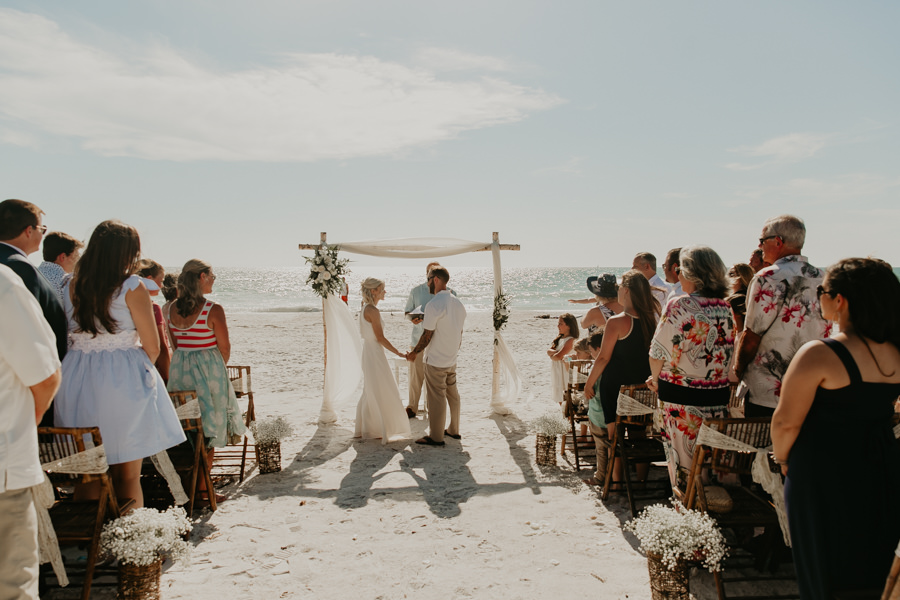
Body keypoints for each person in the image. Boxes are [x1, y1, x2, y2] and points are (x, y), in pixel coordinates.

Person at [772, 258, 900, 598]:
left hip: (823, 472)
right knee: (872, 568)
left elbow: (785, 421)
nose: (819, 297)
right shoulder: (896, 351)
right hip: (882, 465)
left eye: (823, 291)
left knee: (824, 569)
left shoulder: (819, 354)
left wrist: (783, 460)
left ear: (840, 300)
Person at [54, 220, 185, 508]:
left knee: (89, 470)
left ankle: (91, 540)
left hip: (76, 374)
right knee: (127, 473)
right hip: (121, 376)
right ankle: (130, 538)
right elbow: (152, 345)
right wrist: (138, 373)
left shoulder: (71, 284)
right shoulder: (131, 286)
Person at [648, 246, 734, 491]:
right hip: (717, 399)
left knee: (685, 471)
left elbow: (658, 353)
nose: (677, 274)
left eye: (679, 269)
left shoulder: (681, 304)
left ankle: (690, 516)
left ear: (693, 274)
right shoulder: (725, 308)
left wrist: (654, 379)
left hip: (682, 402)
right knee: (712, 465)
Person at [0, 264, 61, 600]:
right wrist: (29, 423)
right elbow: (45, 376)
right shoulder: (4, 283)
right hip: (3, 466)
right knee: (12, 586)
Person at [734, 215, 830, 417]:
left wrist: (739, 369)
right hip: (814, 386)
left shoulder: (768, 277)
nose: (759, 246)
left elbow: (751, 336)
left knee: (765, 446)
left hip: (770, 389)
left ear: (778, 241)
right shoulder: (824, 278)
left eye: (762, 240)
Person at [166, 259, 247, 500]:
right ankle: (203, 489)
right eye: (211, 275)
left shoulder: (170, 309)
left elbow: (176, 345)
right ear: (201, 277)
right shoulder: (213, 309)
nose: (213, 280)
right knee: (208, 429)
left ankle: (192, 485)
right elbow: (224, 348)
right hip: (209, 373)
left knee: (188, 428)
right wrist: (215, 371)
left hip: (180, 371)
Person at [582, 270, 659, 486]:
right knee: (639, 436)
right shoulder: (652, 320)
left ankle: (616, 483)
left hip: (615, 388)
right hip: (641, 387)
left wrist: (589, 384)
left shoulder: (618, 322)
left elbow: (603, 358)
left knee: (614, 438)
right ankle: (642, 480)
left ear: (625, 290)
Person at [0, 199, 68, 363]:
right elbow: (26, 329)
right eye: (42, 229)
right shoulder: (20, 267)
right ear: (29, 231)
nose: (42, 234)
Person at [407, 267, 466, 446]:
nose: (427, 283)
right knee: (453, 394)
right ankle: (454, 430)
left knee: (437, 397)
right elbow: (460, 332)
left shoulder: (434, 304)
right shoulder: (458, 303)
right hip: (451, 358)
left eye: (429, 279)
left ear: (436, 279)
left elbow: (427, 335)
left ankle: (436, 436)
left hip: (436, 360)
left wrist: (413, 353)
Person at [354, 278, 412, 443]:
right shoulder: (372, 310)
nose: (385, 292)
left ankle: (368, 427)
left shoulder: (365, 308)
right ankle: (376, 428)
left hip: (370, 352)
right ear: (374, 291)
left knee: (373, 388)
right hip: (374, 353)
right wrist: (399, 352)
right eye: (382, 289)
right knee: (380, 387)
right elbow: (380, 338)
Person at [403, 262, 456, 418]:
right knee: (416, 376)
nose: (429, 278)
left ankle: (433, 408)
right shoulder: (416, 291)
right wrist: (412, 318)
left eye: (431, 275)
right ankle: (412, 407)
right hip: (418, 338)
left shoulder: (452, 294)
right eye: (428, 274)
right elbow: (407, 311)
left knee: (436, 378)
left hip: (439, 342)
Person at [137, 259, 171, 383]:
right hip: (154, 367)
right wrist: (167, 377)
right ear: (149, 279)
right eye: (160, 281)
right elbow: (161, 346)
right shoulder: (153, 307)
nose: (162, 286)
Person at [37, 231, 83, 303]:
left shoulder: (32, 274)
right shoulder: (66, 283)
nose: (77, 261)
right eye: (76, 256)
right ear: (63, 257)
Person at [548, 313, 578, 404]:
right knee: (559, 395)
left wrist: (555, 355)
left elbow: (557, 356)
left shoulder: (571, 340)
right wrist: (555, 354)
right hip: (558, 370)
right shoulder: (560, 339)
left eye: (561, 324)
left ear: (569, 326)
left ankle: (568, 416)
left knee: (566, 395)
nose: (558, 326)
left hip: (565, 370)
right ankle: (564, 415)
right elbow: (549, 351)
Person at [725, 263, 754, 334]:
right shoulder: (753, 297)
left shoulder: (736, 300)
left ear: (741, 277)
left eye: (731, 274)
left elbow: (738, 330)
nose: (726, 277)